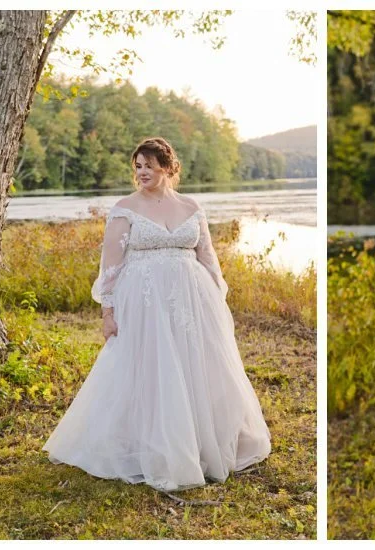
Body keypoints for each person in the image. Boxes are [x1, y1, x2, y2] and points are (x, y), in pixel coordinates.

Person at [43, 137, 271, 492]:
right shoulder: (125, 208)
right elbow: (111, 268)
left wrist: (218, 300)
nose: (142, 172)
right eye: (138, 166)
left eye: (149, 165)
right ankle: (151, 444)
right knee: (151, 369)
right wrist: (108, 311)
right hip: (145, 303)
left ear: (167, 167)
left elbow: (208, 258)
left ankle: (201, 442)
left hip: (192, 303)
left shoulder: (192, 207)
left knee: (197, 367)